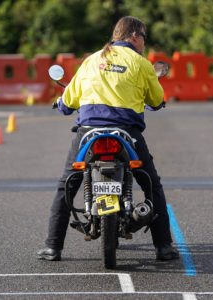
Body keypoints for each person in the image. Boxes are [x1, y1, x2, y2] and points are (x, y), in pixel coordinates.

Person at [37, 16, 179, 262]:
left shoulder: (91, 60)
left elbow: (69, 101)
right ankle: (164, 247)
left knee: (67, 184)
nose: (145, 42)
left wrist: (61, 105)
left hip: (89, 132)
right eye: (144, 36)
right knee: (150, 185)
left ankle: (52, 247)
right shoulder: (142, 63)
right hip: (127, 133)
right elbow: (156, 100)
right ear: (134, 36)